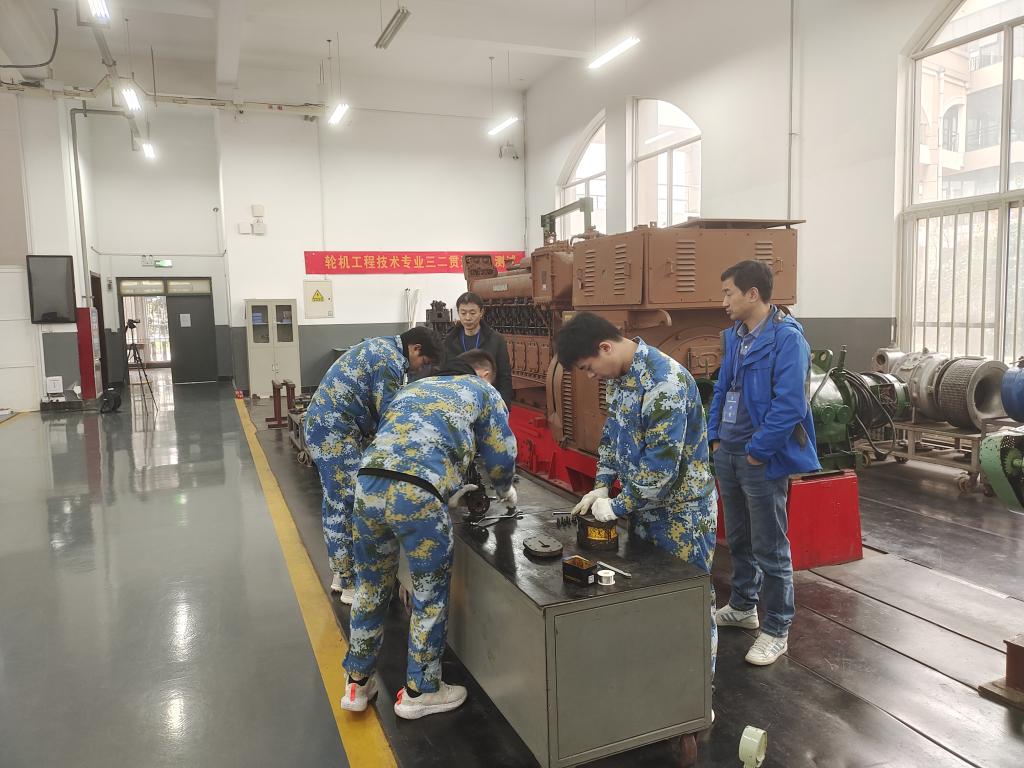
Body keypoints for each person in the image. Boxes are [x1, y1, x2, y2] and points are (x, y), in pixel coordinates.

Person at [340, 349, 517, 719]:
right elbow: (500, 455)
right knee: (428, 594)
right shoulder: (482, 390)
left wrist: (444, 484)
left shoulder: (411, 388)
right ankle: (421, 690)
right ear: (483, 374)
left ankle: (357, 682)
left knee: (371, 586)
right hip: (417, 496)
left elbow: (402, 443)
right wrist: (505, 491)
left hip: (368, 486)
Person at [556, 312, 719, 676]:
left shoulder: (664, 383)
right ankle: (658, 683)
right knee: (652, 601)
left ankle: (697, 687)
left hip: (682, 515)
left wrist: (616, 506)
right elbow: (612, 435)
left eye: (588, 367)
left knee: (687, 602)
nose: (591, 376)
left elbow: (660, 470)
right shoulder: (621, 377)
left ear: (605, 347)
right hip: (645, 510)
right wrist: (602, 482)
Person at [708, 260, 820, 666]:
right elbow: (721, 388)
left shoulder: (787, 340)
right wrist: (715, 437)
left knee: (770, 547)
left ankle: (776, 629)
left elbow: (790, 405)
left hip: (760, 459)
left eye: (729, 293)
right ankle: (743, 606)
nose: (724, 301)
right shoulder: (735, 337)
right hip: (729, 454)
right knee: (738, 539)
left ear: (752, 294)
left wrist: (758, 450)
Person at [303, 327, 442, 605]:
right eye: (423, 362)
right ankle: (351, 583)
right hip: (334, 433)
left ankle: (341, 574)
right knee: (348, 503)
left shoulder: (383, 347)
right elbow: (389, 417)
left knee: (336, 501)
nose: (420, 368)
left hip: (327, 427)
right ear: (415, 348)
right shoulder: (389, 361)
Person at [442, 291, 513, 406]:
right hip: (459, 402)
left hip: (488, 401)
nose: (468, 318)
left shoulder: (496, 340)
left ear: (481, 312)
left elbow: (505, 377)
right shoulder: (449, 341)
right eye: (463, 313)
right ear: (458, 313)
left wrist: (504, 406)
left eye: (472, 313)